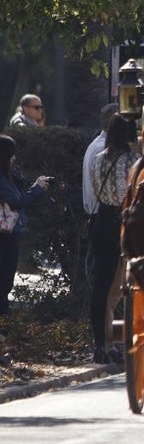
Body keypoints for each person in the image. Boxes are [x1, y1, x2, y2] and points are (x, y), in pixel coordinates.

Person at [88, 115, 138, 363]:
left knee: (101, 285)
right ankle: (112, 341)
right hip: (124, 222)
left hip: (102, 220)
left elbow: (97, 189)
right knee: (123, 285)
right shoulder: (133, 160)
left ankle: (100, 343)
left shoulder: (98, 159)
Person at [0, 134, 51, 316]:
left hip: (8, 234)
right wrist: (37, 188)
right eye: (11, 155)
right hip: (5, 235)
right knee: (4, 281)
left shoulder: (8, 175)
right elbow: (17, 201)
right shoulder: (2, 178)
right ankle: (3, 326)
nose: (14, 158)